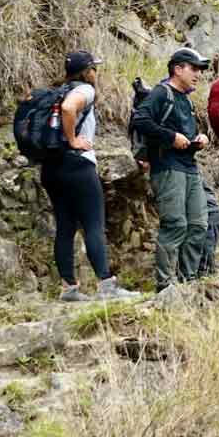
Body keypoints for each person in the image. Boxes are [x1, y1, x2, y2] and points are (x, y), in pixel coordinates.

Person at [40, 51, 140, 301]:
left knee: (65, 227)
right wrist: (73, 140)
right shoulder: (84, 90)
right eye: (93, 68)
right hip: (77, 166)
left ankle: (69, 288)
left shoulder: (55, 92)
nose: (96, 73)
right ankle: (106, 285)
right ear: (86, 72)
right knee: (94, 224)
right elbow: (68, 108)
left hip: (51, 168)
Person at [132, 47, 211, 292]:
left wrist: (199, 138)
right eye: (194, 68)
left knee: (198, 224)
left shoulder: (186, 100)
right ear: (178, 69)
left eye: (200, 70)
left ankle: (188, 281)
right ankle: (165, 285)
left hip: (189, 166)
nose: (198, 74)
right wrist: (171, 137)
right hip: (167, 167)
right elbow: (141, 121)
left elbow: (184, 135)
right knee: (175, 224)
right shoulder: (161, 93)